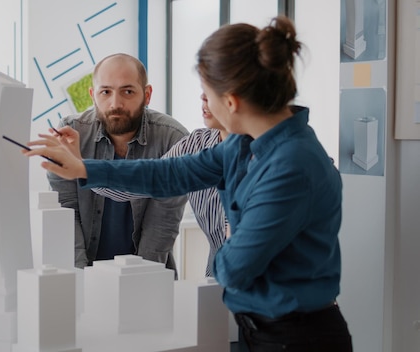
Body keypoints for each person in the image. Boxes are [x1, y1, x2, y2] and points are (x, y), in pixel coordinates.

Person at [27, 16, 353, 352]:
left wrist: (231, 235)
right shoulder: (242, 145)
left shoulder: (292, 166)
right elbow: (168, 174)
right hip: (254, 328)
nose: (203, 104)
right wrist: (83, 169)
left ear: (231, 102)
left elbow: (232, 269)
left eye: (207, 95)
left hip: (297, 338)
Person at [48, 53, 189, 273]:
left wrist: (140, 283)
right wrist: (81, 281)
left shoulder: (173, 138)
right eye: (106, 92)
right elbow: (65, 211)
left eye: (128, 91)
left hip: (148, 276)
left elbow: (162, 225)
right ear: (93, 95)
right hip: (84, 273)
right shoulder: (70, 132)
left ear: (147, 94)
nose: (116, 104)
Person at [92, 93, 228, 277]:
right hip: (219, 284)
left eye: (214, 87)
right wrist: (81, 168)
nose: (203, 96)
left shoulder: (269, 157)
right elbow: (151, 177)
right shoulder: (198, 143)